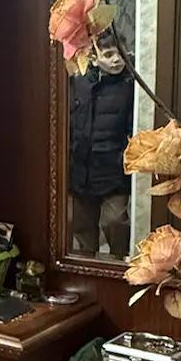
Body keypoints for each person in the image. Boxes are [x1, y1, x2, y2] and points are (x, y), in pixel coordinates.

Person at [68, 41, 134, 258]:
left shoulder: (129, 85)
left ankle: (118, 267)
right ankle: (86, 270)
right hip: (81, 170)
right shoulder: (78, 82)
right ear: (94, 58)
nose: (116, 60)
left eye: (120, 54)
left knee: (116, 223)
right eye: (108, 54)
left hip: (114, 170)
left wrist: (125, 157)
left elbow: (134, 127)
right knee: (82, 228)